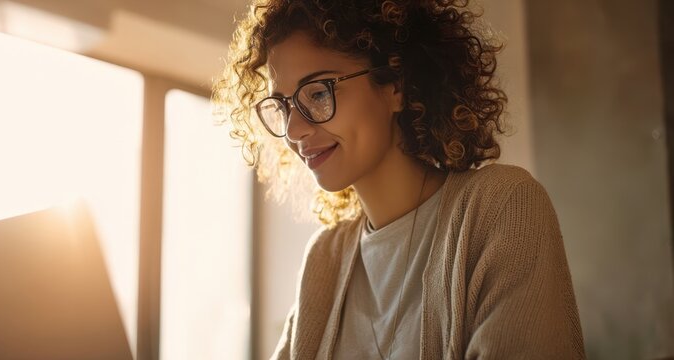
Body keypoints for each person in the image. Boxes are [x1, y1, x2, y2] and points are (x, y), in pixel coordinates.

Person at [212, 0, 586, 358]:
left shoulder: (503, 207)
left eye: (317, 92)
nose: (294, 129)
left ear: (396, 86)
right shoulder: (325, 258)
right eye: (283, 105)